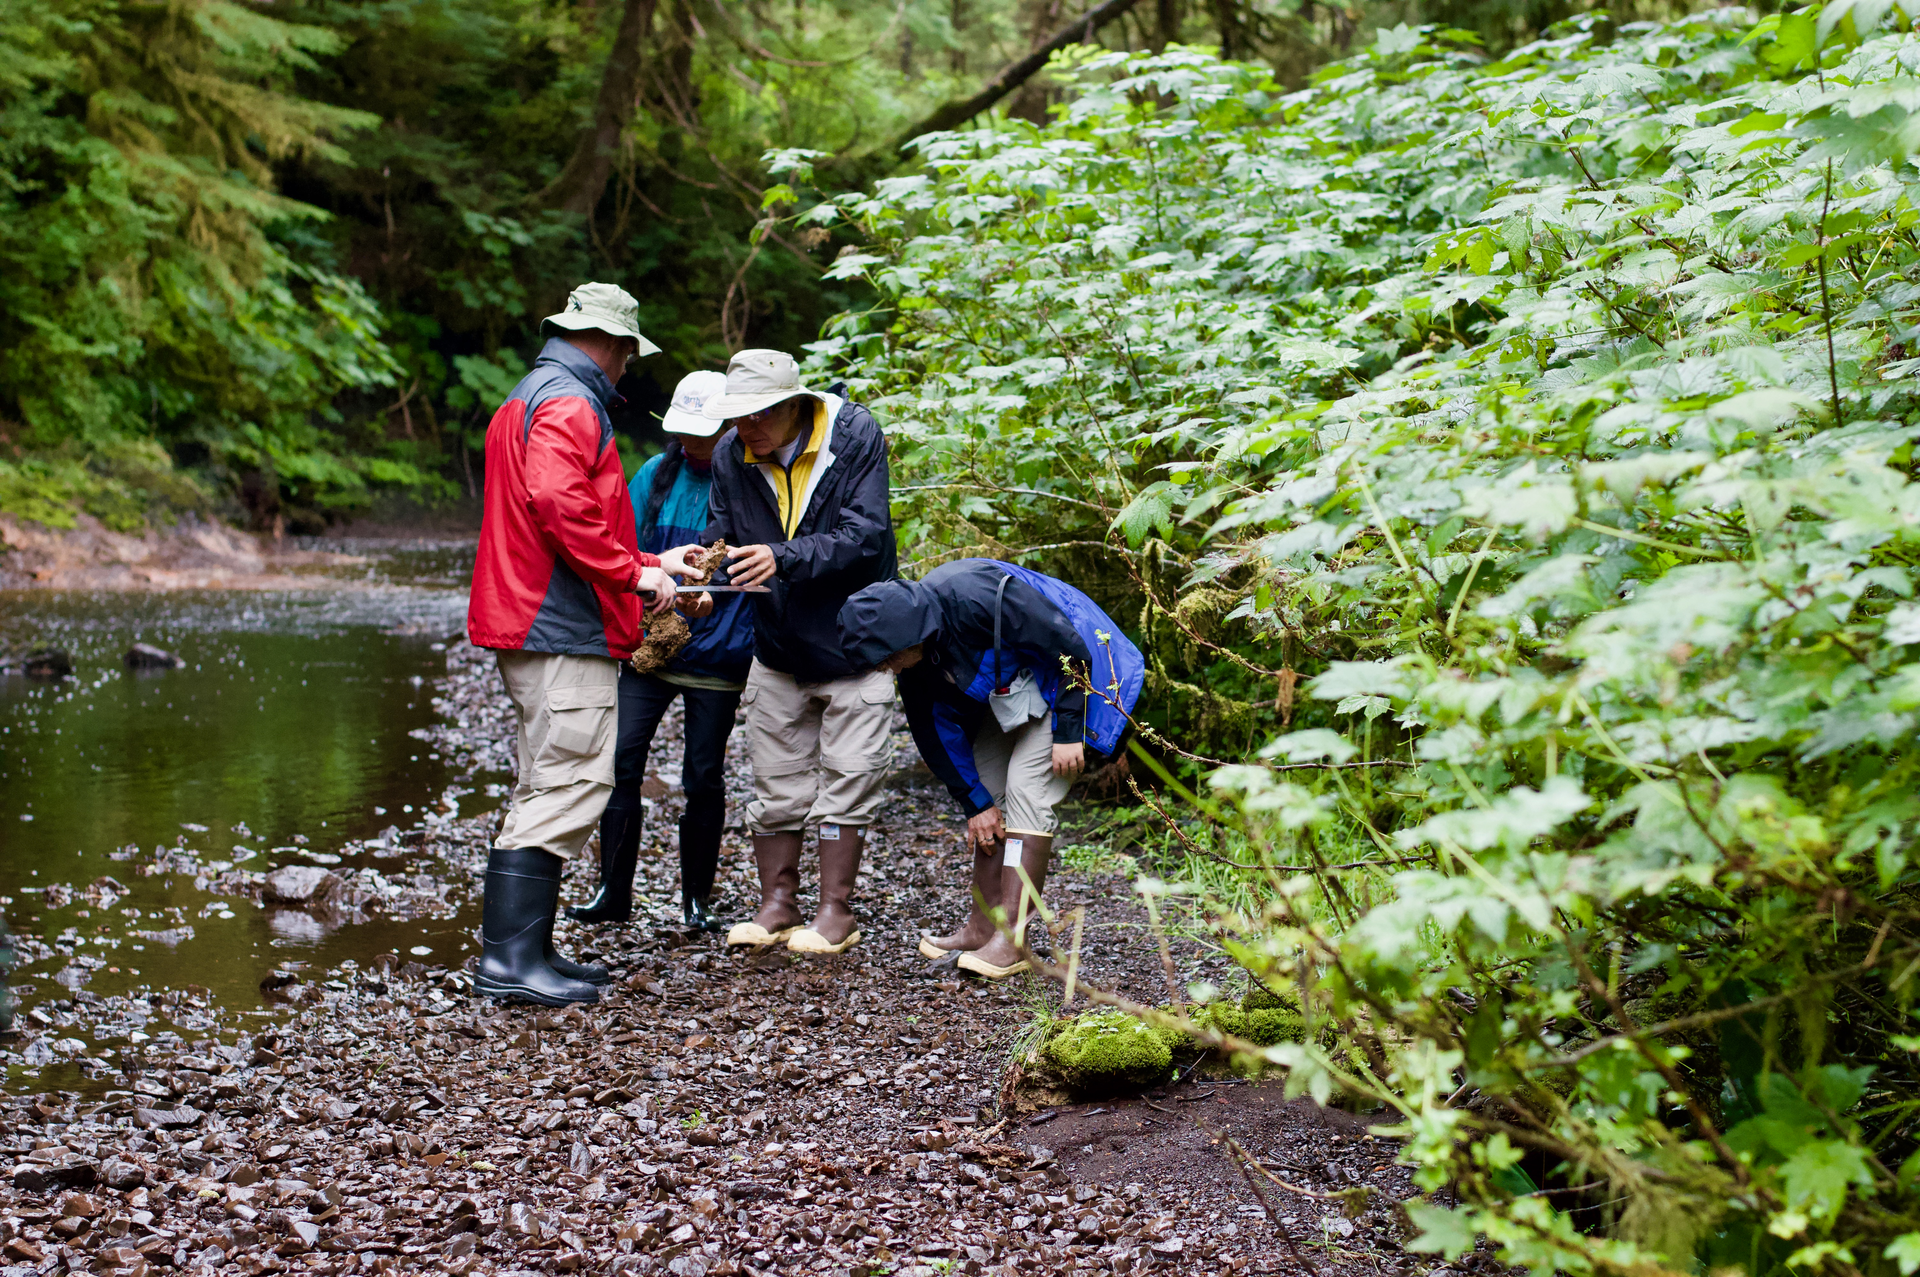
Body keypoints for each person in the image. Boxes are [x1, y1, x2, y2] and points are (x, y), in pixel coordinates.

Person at [467, 281, 687, 1007]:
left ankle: (528, 951)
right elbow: (559, 504)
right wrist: (632, 573)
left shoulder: (529, 394)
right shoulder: (569, 401)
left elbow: (558, 514)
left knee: (546, 778)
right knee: (570, 780)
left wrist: (655, 564)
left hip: (534, 618)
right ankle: (510, 963)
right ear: (612, 344)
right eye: (628, 354)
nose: (628, 368)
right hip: (557, 625)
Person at [837, 559, 1145, 979]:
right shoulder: (916, 660)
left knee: (1026, 791)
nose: (888, 668)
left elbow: (1069, 647)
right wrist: (974, 802)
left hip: (1078, 677)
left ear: (905, 636)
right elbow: (933, 730)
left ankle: (1014, 940)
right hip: (1014, 694)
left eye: (887, 659)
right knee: (987, 784)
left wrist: (1069, 730)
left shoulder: (977, 598)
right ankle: (982, 927)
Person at [701, 349, 898, 956]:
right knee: (776, 784)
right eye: (736, 418)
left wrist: (781, 557)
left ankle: (835, 912)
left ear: (794, 406)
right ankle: (776, 905)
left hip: (854, 644)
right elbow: (721, 539)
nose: (745, 430)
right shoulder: (731, 456)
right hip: (778, 647)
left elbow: (867, 536)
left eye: (756, 416)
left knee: (849, 779)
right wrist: (706, 590)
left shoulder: (855, 435)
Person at [568, 371, 756, 932]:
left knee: (702, 775)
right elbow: (620, 549)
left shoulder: (749, 479)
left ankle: (696, 901)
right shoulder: (656, 474)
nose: (696, 444)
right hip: (650, 650)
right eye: (687, 433)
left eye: (708, 433)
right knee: (621, 761)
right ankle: (612, 893)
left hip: (719, 652)